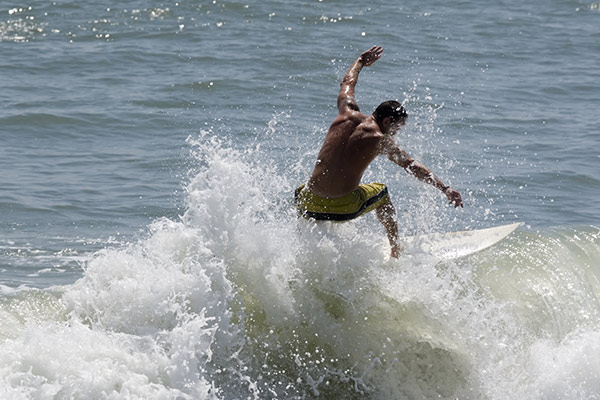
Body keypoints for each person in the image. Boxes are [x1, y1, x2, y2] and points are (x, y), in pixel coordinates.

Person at [295, 46, 463, 258]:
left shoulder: (346, 113)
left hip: (308, 203)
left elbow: (347, 83)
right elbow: (411, 166)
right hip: (342, 208)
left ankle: (300, 242)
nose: (396, 133)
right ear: (386, 121)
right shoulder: (380, 140)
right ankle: (396, 251)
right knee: (382, 193)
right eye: (397, 128)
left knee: (302, 189)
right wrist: (445, 188)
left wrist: (360, 62)